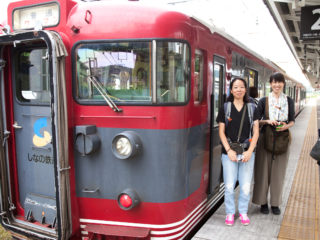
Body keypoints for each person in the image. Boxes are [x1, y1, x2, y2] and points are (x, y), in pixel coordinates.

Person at [216, 77, 259, 226]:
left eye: (241, 87)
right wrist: (228, 150)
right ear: (231, 90)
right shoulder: (225, 108)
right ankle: (229, 212)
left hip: (247, 152)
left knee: (246, 186)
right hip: (229, 153)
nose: (239, 89)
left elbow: (256, 132)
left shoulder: (252, 108)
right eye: (235, 87)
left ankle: (243, 212)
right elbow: (221, 132)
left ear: (246, 89)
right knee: (229, 185)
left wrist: (250, 151)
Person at [252, 72, 295, 215]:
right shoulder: (264, 100)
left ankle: (275, 203)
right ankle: (263, 202)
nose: (277, 85)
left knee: (279, 173)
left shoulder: (289, 100)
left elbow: (292, 120)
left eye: (279, 82)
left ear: (283, 84)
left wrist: (285, 126)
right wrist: (267, 121)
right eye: (274, 82)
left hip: (282, 139)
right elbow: (256, 120)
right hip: (265, 137)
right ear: (270, 84)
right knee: (262, 171)